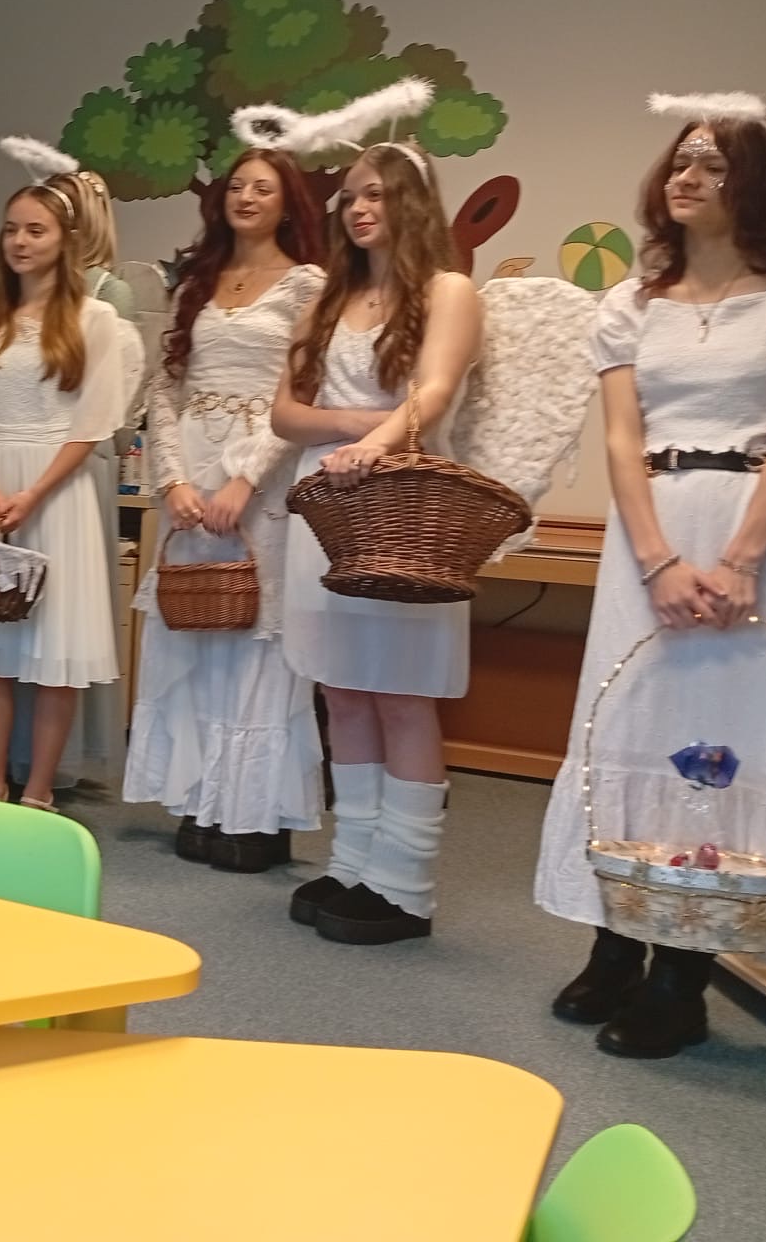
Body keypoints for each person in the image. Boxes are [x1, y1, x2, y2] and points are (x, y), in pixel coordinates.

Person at [535, 94, 766, 1058]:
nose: (686, 177)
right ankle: (615, 943)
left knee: (723, 744)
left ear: (757, 185)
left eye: (713, 164)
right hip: (648, 536)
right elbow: (624, 439)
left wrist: (742, 559)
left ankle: (683, 975)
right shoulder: (630, 304)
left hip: (753, 535)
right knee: (627, 729)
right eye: (680, 161)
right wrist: (656, 559)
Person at [273, 83, 482, 945]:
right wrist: (353, 430)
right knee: (342, 690)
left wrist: (375, 445)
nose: (360, 208)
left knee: (401, 696)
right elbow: (285, 415)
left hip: (403, 511)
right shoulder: (325, 298)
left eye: (378, 194)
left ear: (413, 202)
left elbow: (434, 394)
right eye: (351, 196)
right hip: (325, 509)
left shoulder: (449, 289)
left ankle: (405, 887)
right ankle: (352, 863)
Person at [0, 146, 142, 794]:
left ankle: (38, 790)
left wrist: (33, 494)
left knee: (53, 656)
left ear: (65, 239)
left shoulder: (97, 319)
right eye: (11, 229)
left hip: (58, 492)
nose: (19, 241)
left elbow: (92, 424)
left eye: (35, 230)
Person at [125, 137, 325, 871]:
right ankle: (199, 799)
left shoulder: (308, 285)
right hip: (191, 472)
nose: (246, 197)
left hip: (263, 476)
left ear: (288, 204)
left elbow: (303, 392)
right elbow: (164, 388)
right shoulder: (198, 279)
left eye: (263, 188)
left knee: (254, 634)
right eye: (238, 186)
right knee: (194, 625)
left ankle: (252, 814)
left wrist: (244, 479)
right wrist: (173, 480)